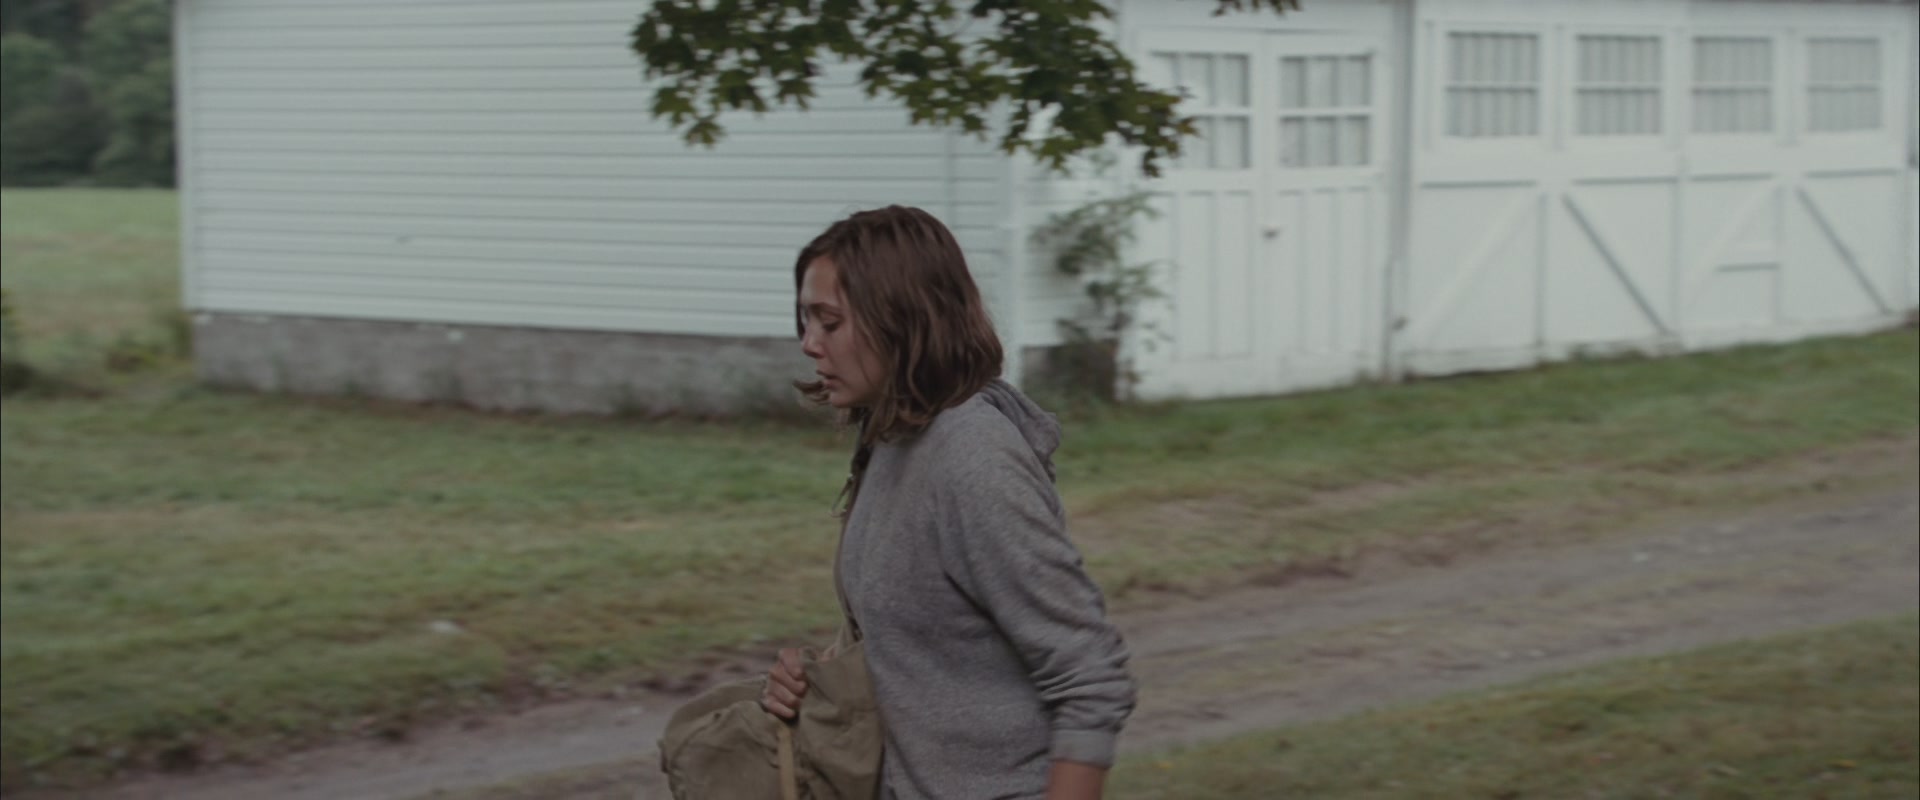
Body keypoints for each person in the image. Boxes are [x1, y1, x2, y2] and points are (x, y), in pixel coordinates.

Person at [759, 205, 1137, 799]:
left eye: (829, 322)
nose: (809, 344)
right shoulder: (893, 437)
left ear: (900, 319)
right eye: (805, 321)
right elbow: (923, 630)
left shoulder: (973, 459)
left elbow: (1090, 676)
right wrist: (822, 674)